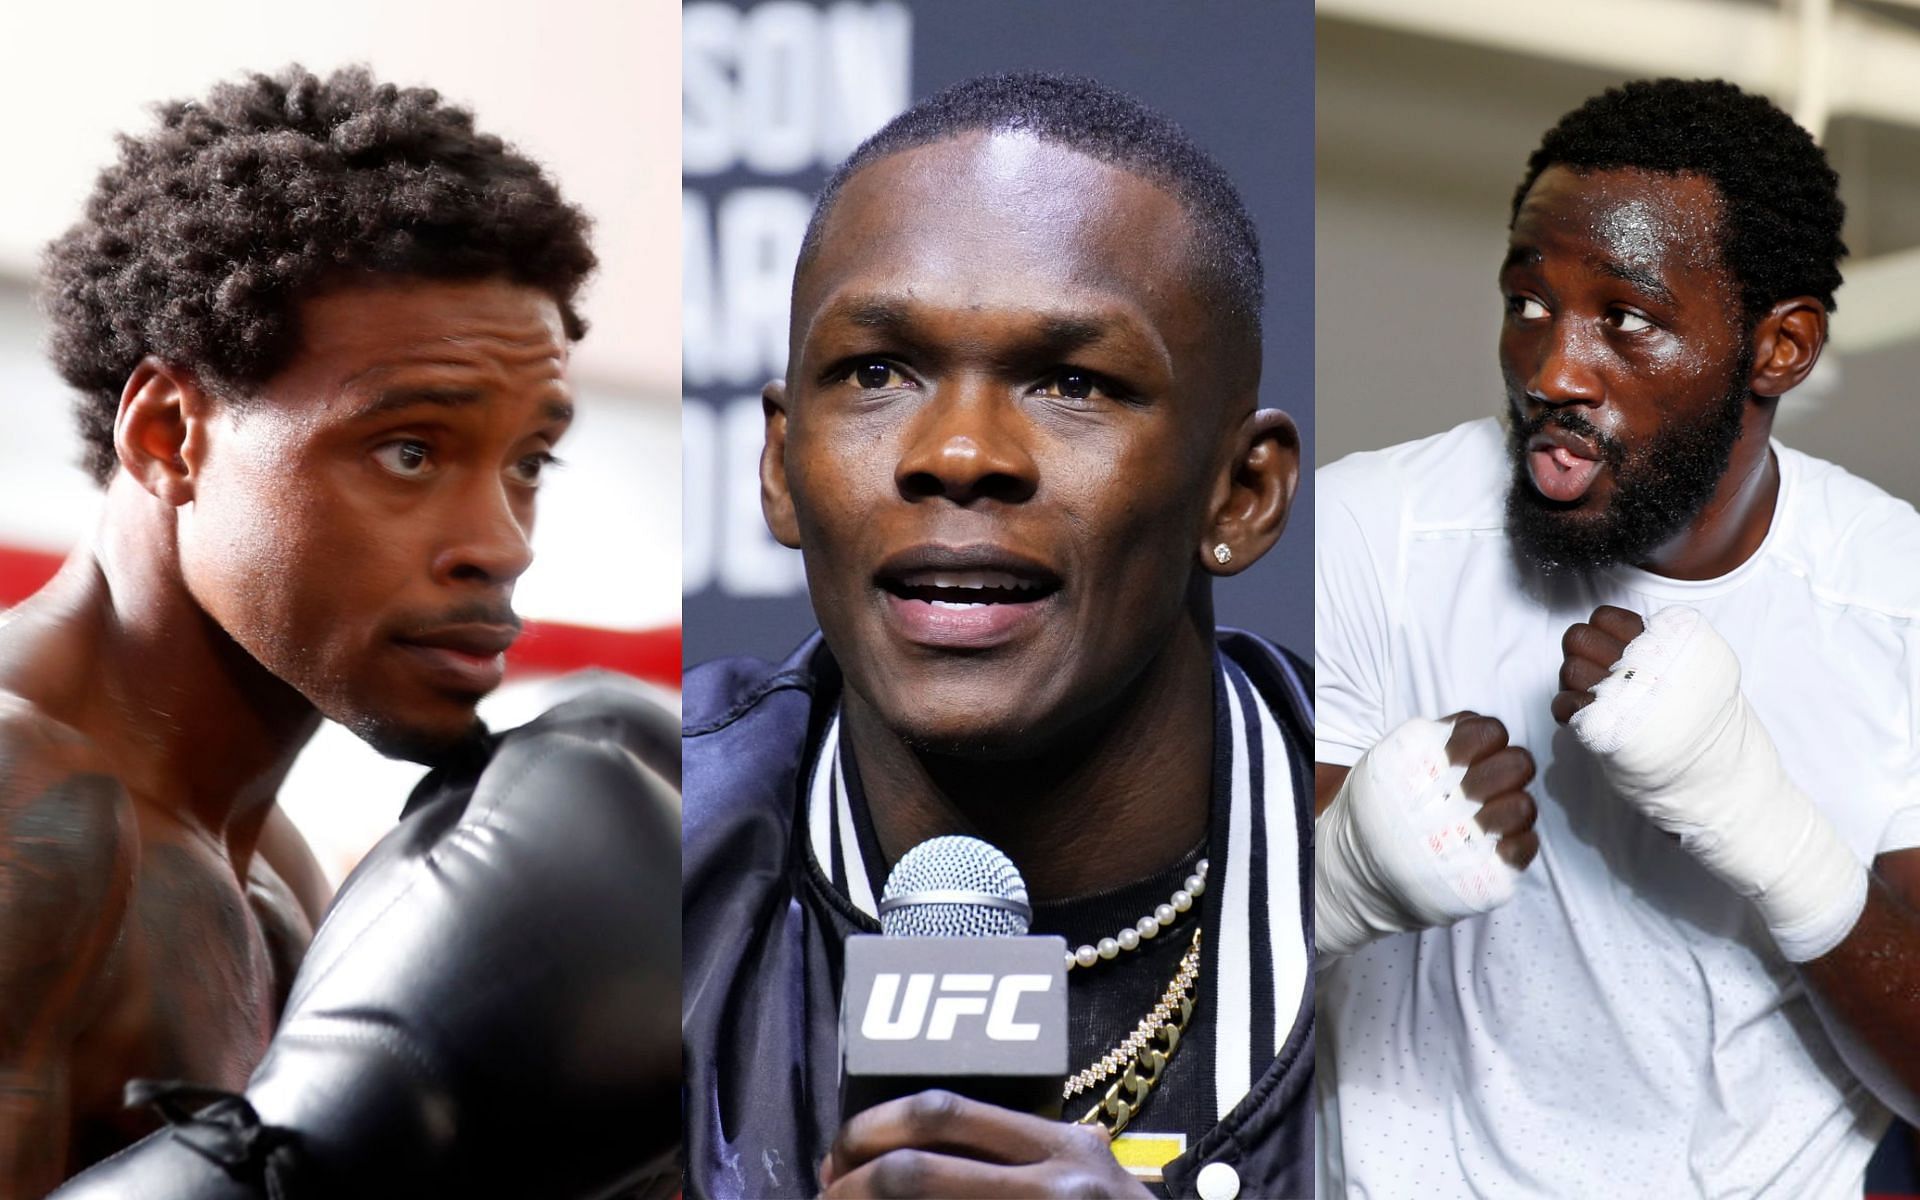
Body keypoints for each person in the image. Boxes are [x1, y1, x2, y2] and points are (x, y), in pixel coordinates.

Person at [684, 73, 1318, 1200]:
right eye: (876, 373)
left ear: (1241, 494)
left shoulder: (1447, 911)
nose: (961, 451)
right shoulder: (647, 860)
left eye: (1072, 381)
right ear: (780, 468)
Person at [1315, 78, 1920, 1197]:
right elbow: (1186, 974)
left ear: (1779, 349)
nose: (1553, 370)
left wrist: (1767, 829)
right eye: (1529, 302)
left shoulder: (1898, 601)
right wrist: (1333, 880)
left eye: (1626, 320)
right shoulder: (1370, 535)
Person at [0, 64, 595, 1193]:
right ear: (172, 434)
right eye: (409, 450)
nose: (503, 542)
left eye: (527, 464)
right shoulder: (27, 807)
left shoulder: (273, 863)